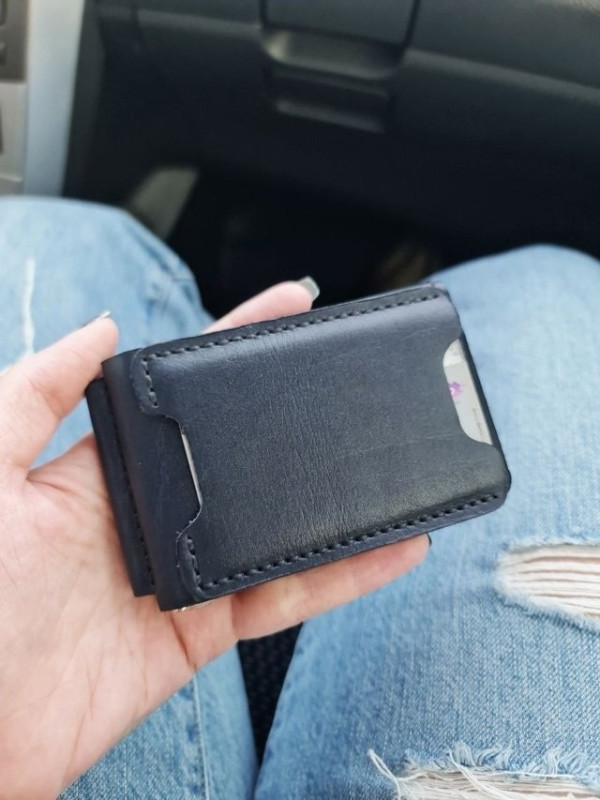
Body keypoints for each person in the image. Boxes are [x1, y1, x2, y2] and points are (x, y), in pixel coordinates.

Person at [0, 197, 598, 800]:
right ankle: (401, 272)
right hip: (149, 587)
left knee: (67, 234)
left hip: (135, 604)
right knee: (550, 279)